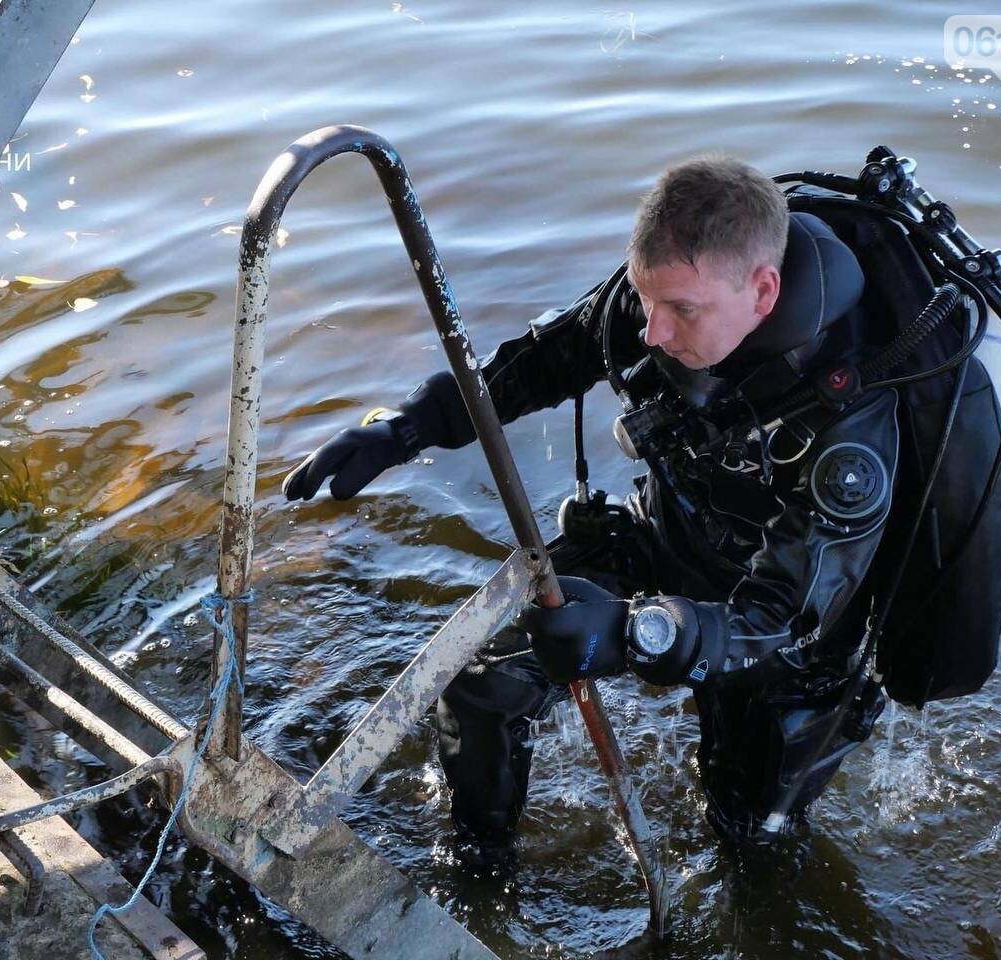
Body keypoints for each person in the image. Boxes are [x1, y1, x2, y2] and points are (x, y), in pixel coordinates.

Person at [282, 156, 898, 866]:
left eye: (682, 312)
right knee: (483, 684)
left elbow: (783, 617)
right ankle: (479, 868)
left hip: (787, 644)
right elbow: (532, 368)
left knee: (750, 840)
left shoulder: (850, 427)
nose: (653, 333)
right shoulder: (655, 303)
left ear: (763, 290)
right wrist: (405, 429)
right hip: (665, 540)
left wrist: (634, 630)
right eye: (646, 300)